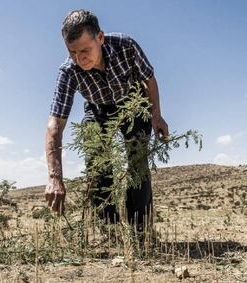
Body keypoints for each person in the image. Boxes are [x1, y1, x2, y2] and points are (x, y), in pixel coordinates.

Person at [45, 9, 169, 229]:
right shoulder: (68, 71)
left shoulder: (126, 46)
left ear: (100, 38)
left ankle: (140, 229)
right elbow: (55, 125)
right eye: (72, 52)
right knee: (96, 160)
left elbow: (149, 80)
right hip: (97, 108)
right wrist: (55, 177)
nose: (79, 58)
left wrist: (156, 115)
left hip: (133, 103)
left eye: (85, 50)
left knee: (137, 162)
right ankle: (109, 229)